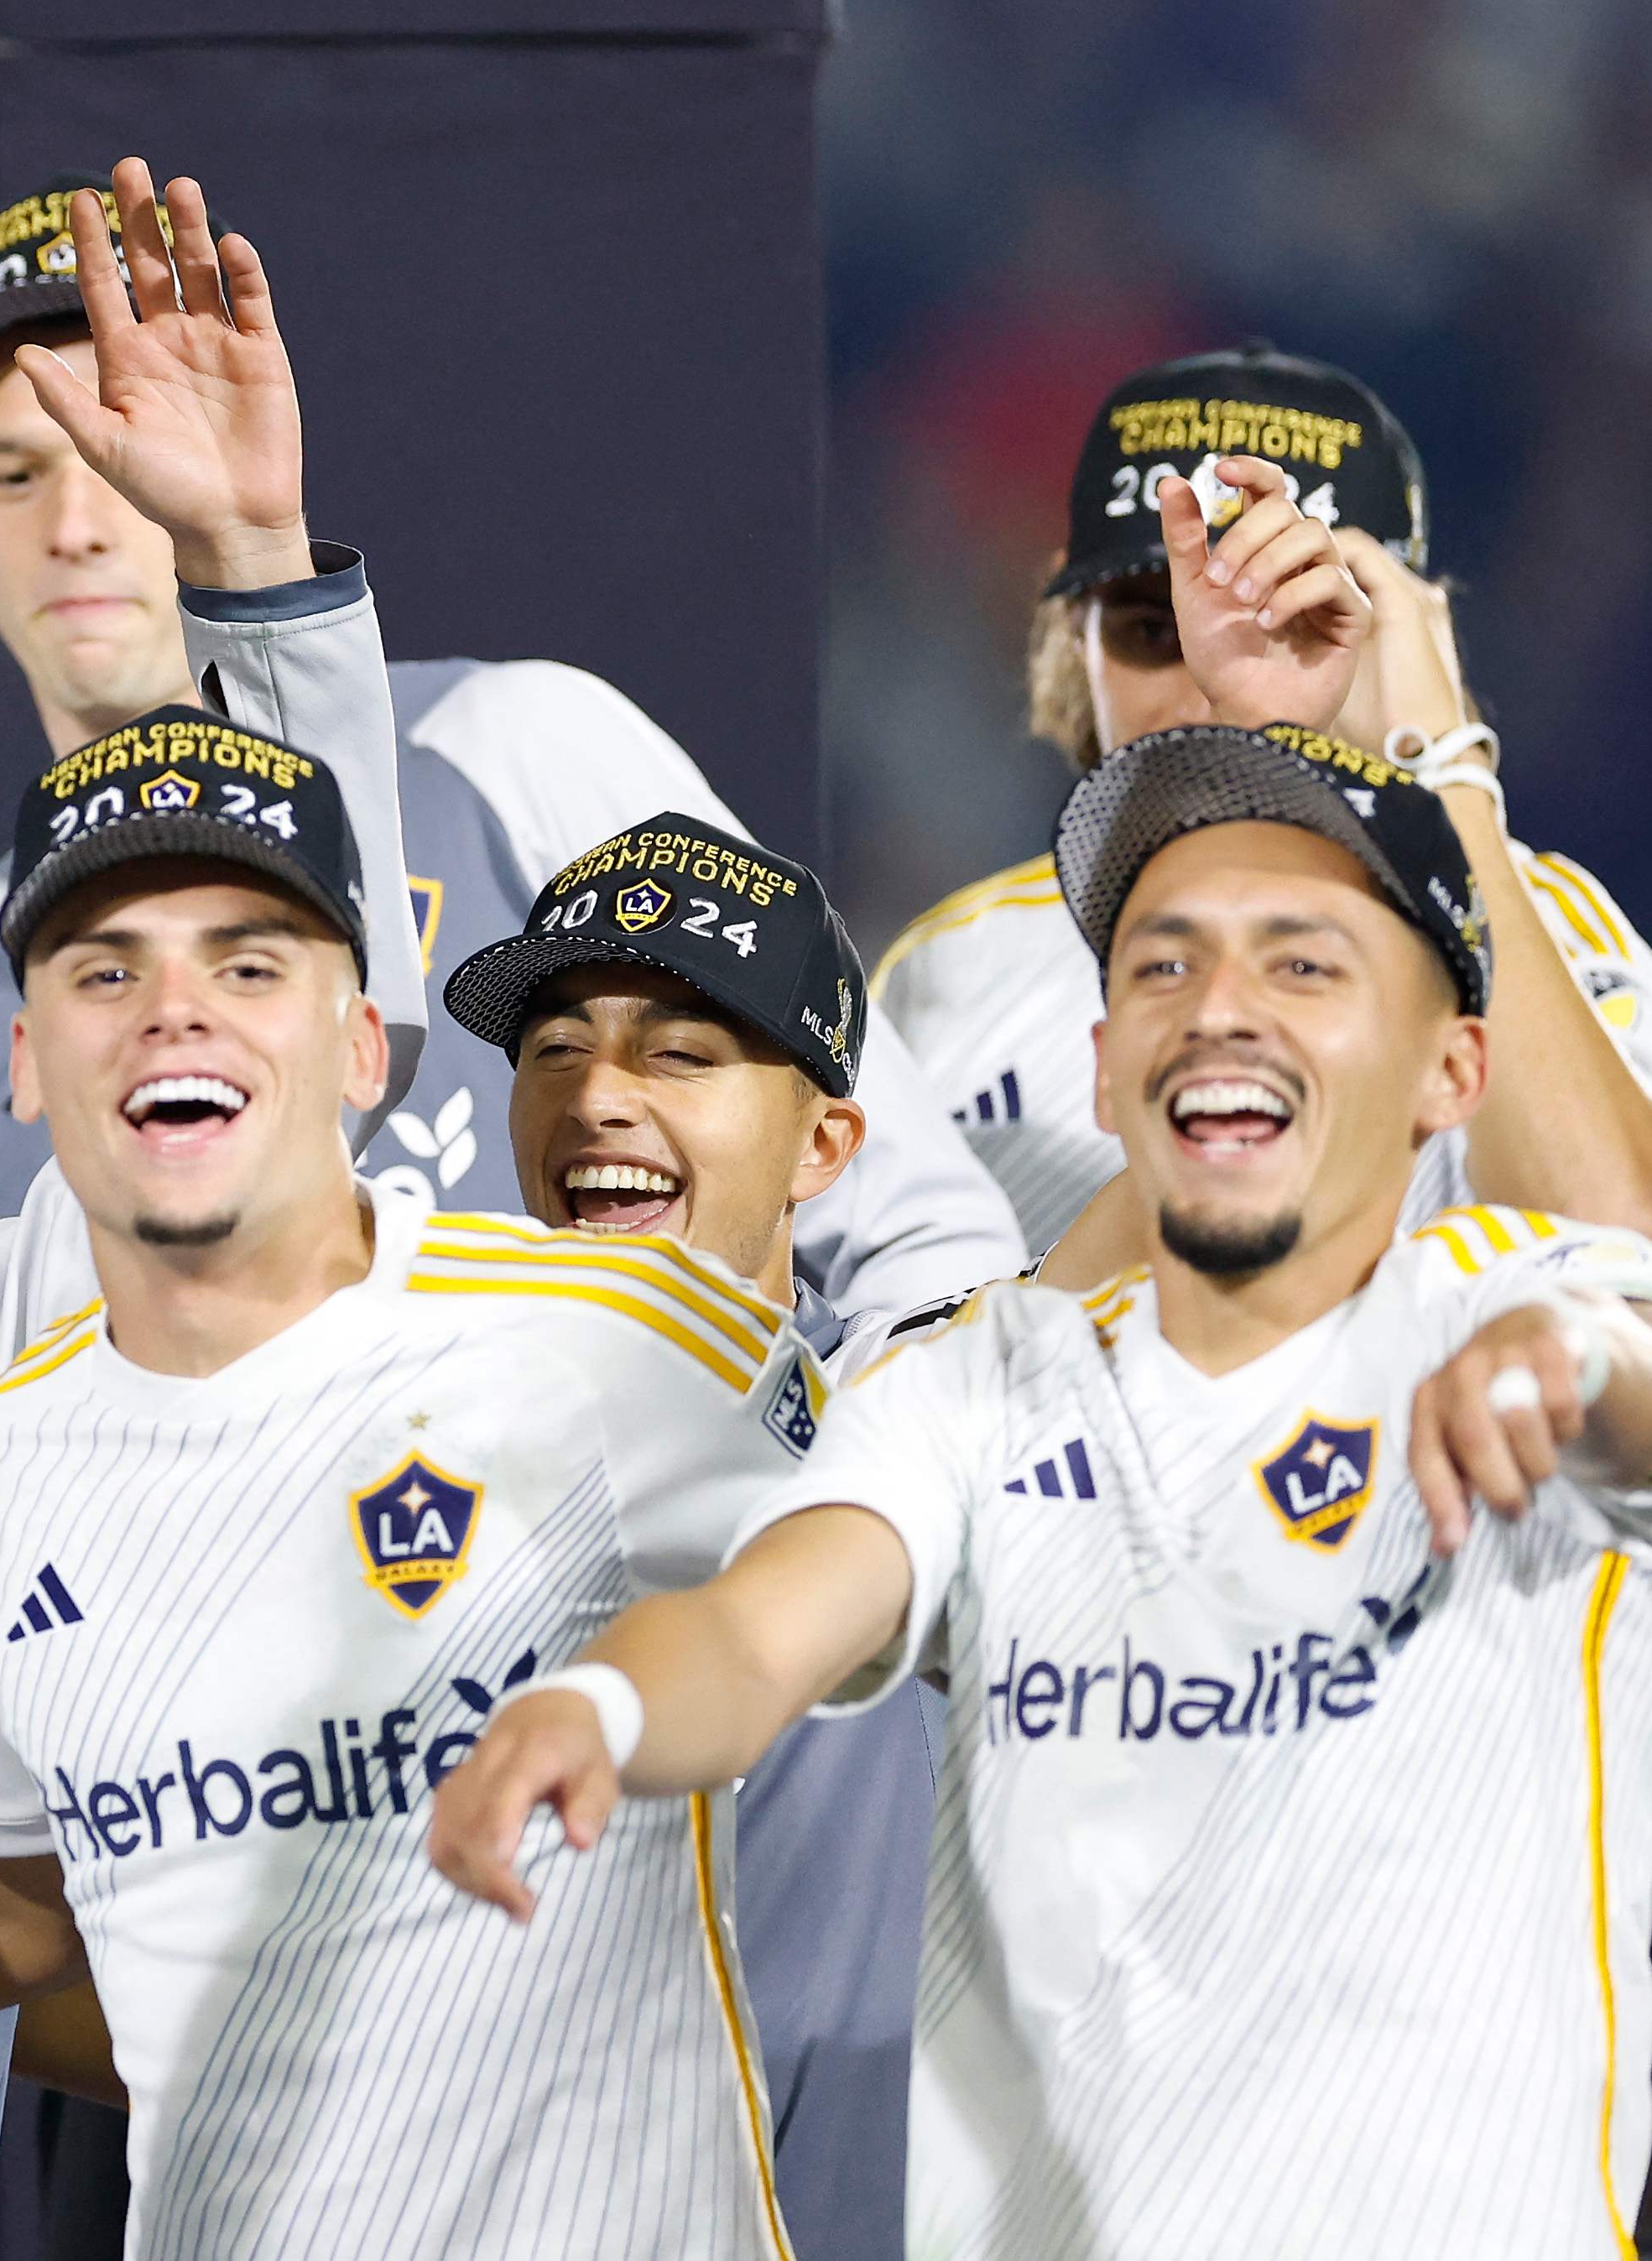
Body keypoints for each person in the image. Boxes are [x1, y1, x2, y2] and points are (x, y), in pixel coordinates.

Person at [431, 719, 1652, 2259]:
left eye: (1304, 965)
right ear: (1105, 1059)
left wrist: (1554, 1368)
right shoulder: (969, 1384)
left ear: (1452, 1063)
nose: (1220, 1008)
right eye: (1164, 966)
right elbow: (758, 1626)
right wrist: (598, 1709)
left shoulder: (1526, 1300)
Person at [0, 708, 809, 2261]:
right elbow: (26, 1904)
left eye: (249, 964)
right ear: (26, 1063)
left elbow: (939, 1529)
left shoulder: (614, 1329)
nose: (175, 1010)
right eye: (107, 968)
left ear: (361, 1043)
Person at [0, 172, 1020, 1338]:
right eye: (16, 471)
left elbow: (919, 1235)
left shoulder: (518, 743)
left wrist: (851, 1504)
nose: (78, 525)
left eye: (118, 452)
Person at [873, 347, 1652, 1274]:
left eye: (1287, 621)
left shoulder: (1532, 919)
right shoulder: (947, 968)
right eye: (1156, 629)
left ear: (1403, 638)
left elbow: (1613, 1241)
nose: (1225, 679)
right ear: (1073, 647)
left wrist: (1446, 774)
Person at [441, 812, 925, 2235]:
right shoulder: (390, 1458)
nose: (597, 1096)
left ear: (823, 1139)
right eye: (554, 1048)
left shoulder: (933, 1418)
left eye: (679, 1051)